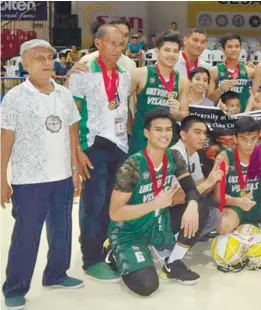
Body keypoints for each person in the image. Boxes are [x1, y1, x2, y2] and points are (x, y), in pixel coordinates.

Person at [1, 39, 83, 310]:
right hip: (29, 180)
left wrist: (74, 170)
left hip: (61, 176)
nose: (47, 63)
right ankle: (15, 287)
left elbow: (72, 133)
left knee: (62, 230)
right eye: (39, 58)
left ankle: (56, 274)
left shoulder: (64, 94)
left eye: (50, 57)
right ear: (24, 64)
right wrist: (1, 177)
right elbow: (5, 139)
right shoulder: (15, 97)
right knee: (27, 235)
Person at [108, 109, 200, 296]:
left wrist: (192, 206)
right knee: (147, 285)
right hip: (130, 231)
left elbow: (191, 189)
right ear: (146, 133)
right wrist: (155, 204)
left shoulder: (174, 157)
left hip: (158, 224)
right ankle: (113, 252)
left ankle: (172, 262)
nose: (164, 134)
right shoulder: (131, 166)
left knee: (203, 209)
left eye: (168, 129)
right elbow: (115, 213)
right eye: (158, 129)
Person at [68, 24, 133, 283]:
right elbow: (72, 115)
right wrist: (76, 151)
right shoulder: (83, 73)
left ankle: (106, 247)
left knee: (111, 202)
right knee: (93, 202)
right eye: (112, 43)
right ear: (98, 43)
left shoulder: (125, 74)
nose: (117, 49)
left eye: (121, 44)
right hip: (92, 144)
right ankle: (90, 258)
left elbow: (122, 110)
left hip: (118, 145)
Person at [163, 116, 224, 283]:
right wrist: (208, 184)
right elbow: (175, 198)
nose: (202, 137)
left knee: (214, 214)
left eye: (204, 133)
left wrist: (214, 177)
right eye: (197, 132)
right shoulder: (176, 154)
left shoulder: (194, 155)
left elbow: (200, 188)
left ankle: (171, 246)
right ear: (183, 134)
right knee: (200, 208)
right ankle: (172, 261)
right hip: (159, 213)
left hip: (175, 210)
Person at [129, 31, 190, 155]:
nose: (171, 55)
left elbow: (184, 113)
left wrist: (176, 113)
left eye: (175, 51)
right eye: (167, 50)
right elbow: (121, 102)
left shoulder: (182, 82)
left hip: (167, 141)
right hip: (141, 140)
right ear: (157, 51)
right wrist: (129, 127)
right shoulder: (140, 74)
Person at [208, 34, 254, 111]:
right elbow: (209, 101)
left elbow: (256, 96)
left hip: (243, 117)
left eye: (237, 46)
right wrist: (220, 90)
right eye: (230, 47)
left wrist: (247, 111)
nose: (234, 49)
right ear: (223, 50)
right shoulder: (214, 71)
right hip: (221, 118)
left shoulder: (249, 71)